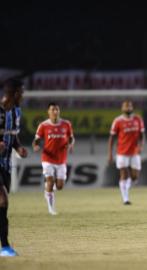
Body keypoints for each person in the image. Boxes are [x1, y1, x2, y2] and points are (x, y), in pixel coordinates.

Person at [0, 78, 27, 257]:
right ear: (15, 93)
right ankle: (5, 247)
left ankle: (4, 247)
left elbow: (13, 137)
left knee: (2, 207)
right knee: (3, 199)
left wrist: (19, 148)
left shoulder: (17, 112)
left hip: (6, 165)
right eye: (22, 93)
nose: (23, 96)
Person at [32, 102, 74, 215]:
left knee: (60, 186)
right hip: (47, 158)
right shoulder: (43, 125)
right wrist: (35, 146)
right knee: (50, 181)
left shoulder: (66, 124)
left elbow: (71, 138)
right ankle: (51, 208)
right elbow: (36, 139)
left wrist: (70, 145)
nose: (55, 112)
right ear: (48, 112)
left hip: (61, 159)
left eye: (57, 109)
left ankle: (48, 191)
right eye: (53, 110)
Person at [108, 100, 145, 205]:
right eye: (126, 106)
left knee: (134, 177)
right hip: (122, 152)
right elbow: (112, 138)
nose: (128, 108)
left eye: (129, 106)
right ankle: (125, 199)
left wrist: (141, 146)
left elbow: (142, 135)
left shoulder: (138, 119)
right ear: (122, 108)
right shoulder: (118, 121)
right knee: (123, 175)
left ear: (132, 107)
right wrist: (110, 153)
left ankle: (128, 186)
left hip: (134, 152)